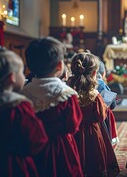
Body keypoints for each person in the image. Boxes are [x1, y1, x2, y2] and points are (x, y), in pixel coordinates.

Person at [20, 36, 83, 177]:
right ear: (60, 66)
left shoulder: (23, 94)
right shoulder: (67, 94)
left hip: (31, 148)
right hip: (61, 148)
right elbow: (73, 126)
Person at [67, 52, 120, 176]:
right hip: (93, 134)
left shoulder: (68, 94)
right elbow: (101, 116)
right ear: (95, 73)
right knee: (95, 161)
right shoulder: (95, 95)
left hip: (73, 134)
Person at [0, 48, 48, 177]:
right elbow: (37, 139)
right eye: (22, 72)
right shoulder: (19, 105)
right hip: (14, 163)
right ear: (12, 78)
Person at [97, 60, 119, 146]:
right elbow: (112, 105)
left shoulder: (73, 82)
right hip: (100, 119)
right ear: (103, 73)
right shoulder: (101, 84)